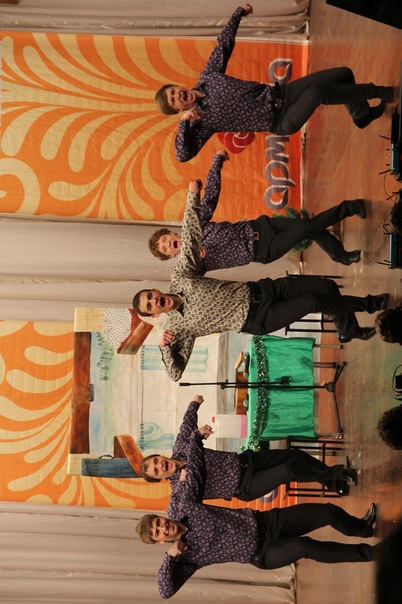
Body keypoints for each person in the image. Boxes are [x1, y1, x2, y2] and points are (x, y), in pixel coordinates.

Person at [132, 179, 388, 381]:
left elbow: (190, 234)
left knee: (326, 287)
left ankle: (348, 329)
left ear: (155, 290)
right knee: (313, 301)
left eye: (150, 296)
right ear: (154, 313)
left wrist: (192, 195)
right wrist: (164, 347)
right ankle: (370, 304)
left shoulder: (182, 277)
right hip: (258, 319)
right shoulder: (178, 328)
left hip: (263, 289)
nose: (155, 301)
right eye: (150, 306)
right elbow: (175, 373)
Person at [136, 428, 378, 599]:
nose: (163, 527)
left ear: (162, 517)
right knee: (304, 546)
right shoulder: (187, 558)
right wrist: (170, 557)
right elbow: (165, 591)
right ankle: (371, 554)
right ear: (160, 540)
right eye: (158, 532)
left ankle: (364, 528)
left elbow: (197, 470)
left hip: (268, 521)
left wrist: (197, 437)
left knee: (327, 512)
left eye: (158, 522)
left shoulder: (186, 506)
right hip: (263, 553)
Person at [155, 4, 394, 162]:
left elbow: (224, 45)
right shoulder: (201, 123)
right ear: (178, 110)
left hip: (284, 93)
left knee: (342, 74)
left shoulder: (209, 77)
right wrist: (184, 125)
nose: (178, 96)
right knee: (317, 93)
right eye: (174, 101)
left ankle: (360, 115)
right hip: (280, 121)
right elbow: (182, 155)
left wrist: (238, 14)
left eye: (174, 91)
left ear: (178, 86)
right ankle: (379, 91)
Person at [148, 150, 366, 271]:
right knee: (306, 228)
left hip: (260, 226)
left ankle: (340, 255)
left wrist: (217, 162)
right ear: (172, 256)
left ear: (172, 233)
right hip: (263, 250)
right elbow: (192, 279)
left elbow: (211, 196)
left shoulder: (195, 226)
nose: (168, 244)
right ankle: (349, 207)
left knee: (309, 228)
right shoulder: (193, 264)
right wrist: (197, 260)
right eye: (165, 249)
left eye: (165, 239)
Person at [140, 395, 357, 498]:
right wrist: (186, 480)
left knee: (295, 456)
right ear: (160, 479)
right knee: (288, 471)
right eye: (157, 471)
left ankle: (334, 483)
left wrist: (194, 403)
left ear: (160, 456)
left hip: (246, 461)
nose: (161, 466)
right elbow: (188, 498)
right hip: (244, 485)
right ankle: (339, 473)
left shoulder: (180, 448)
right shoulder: (178, 488)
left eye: (157, 461)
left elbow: (187, 424)